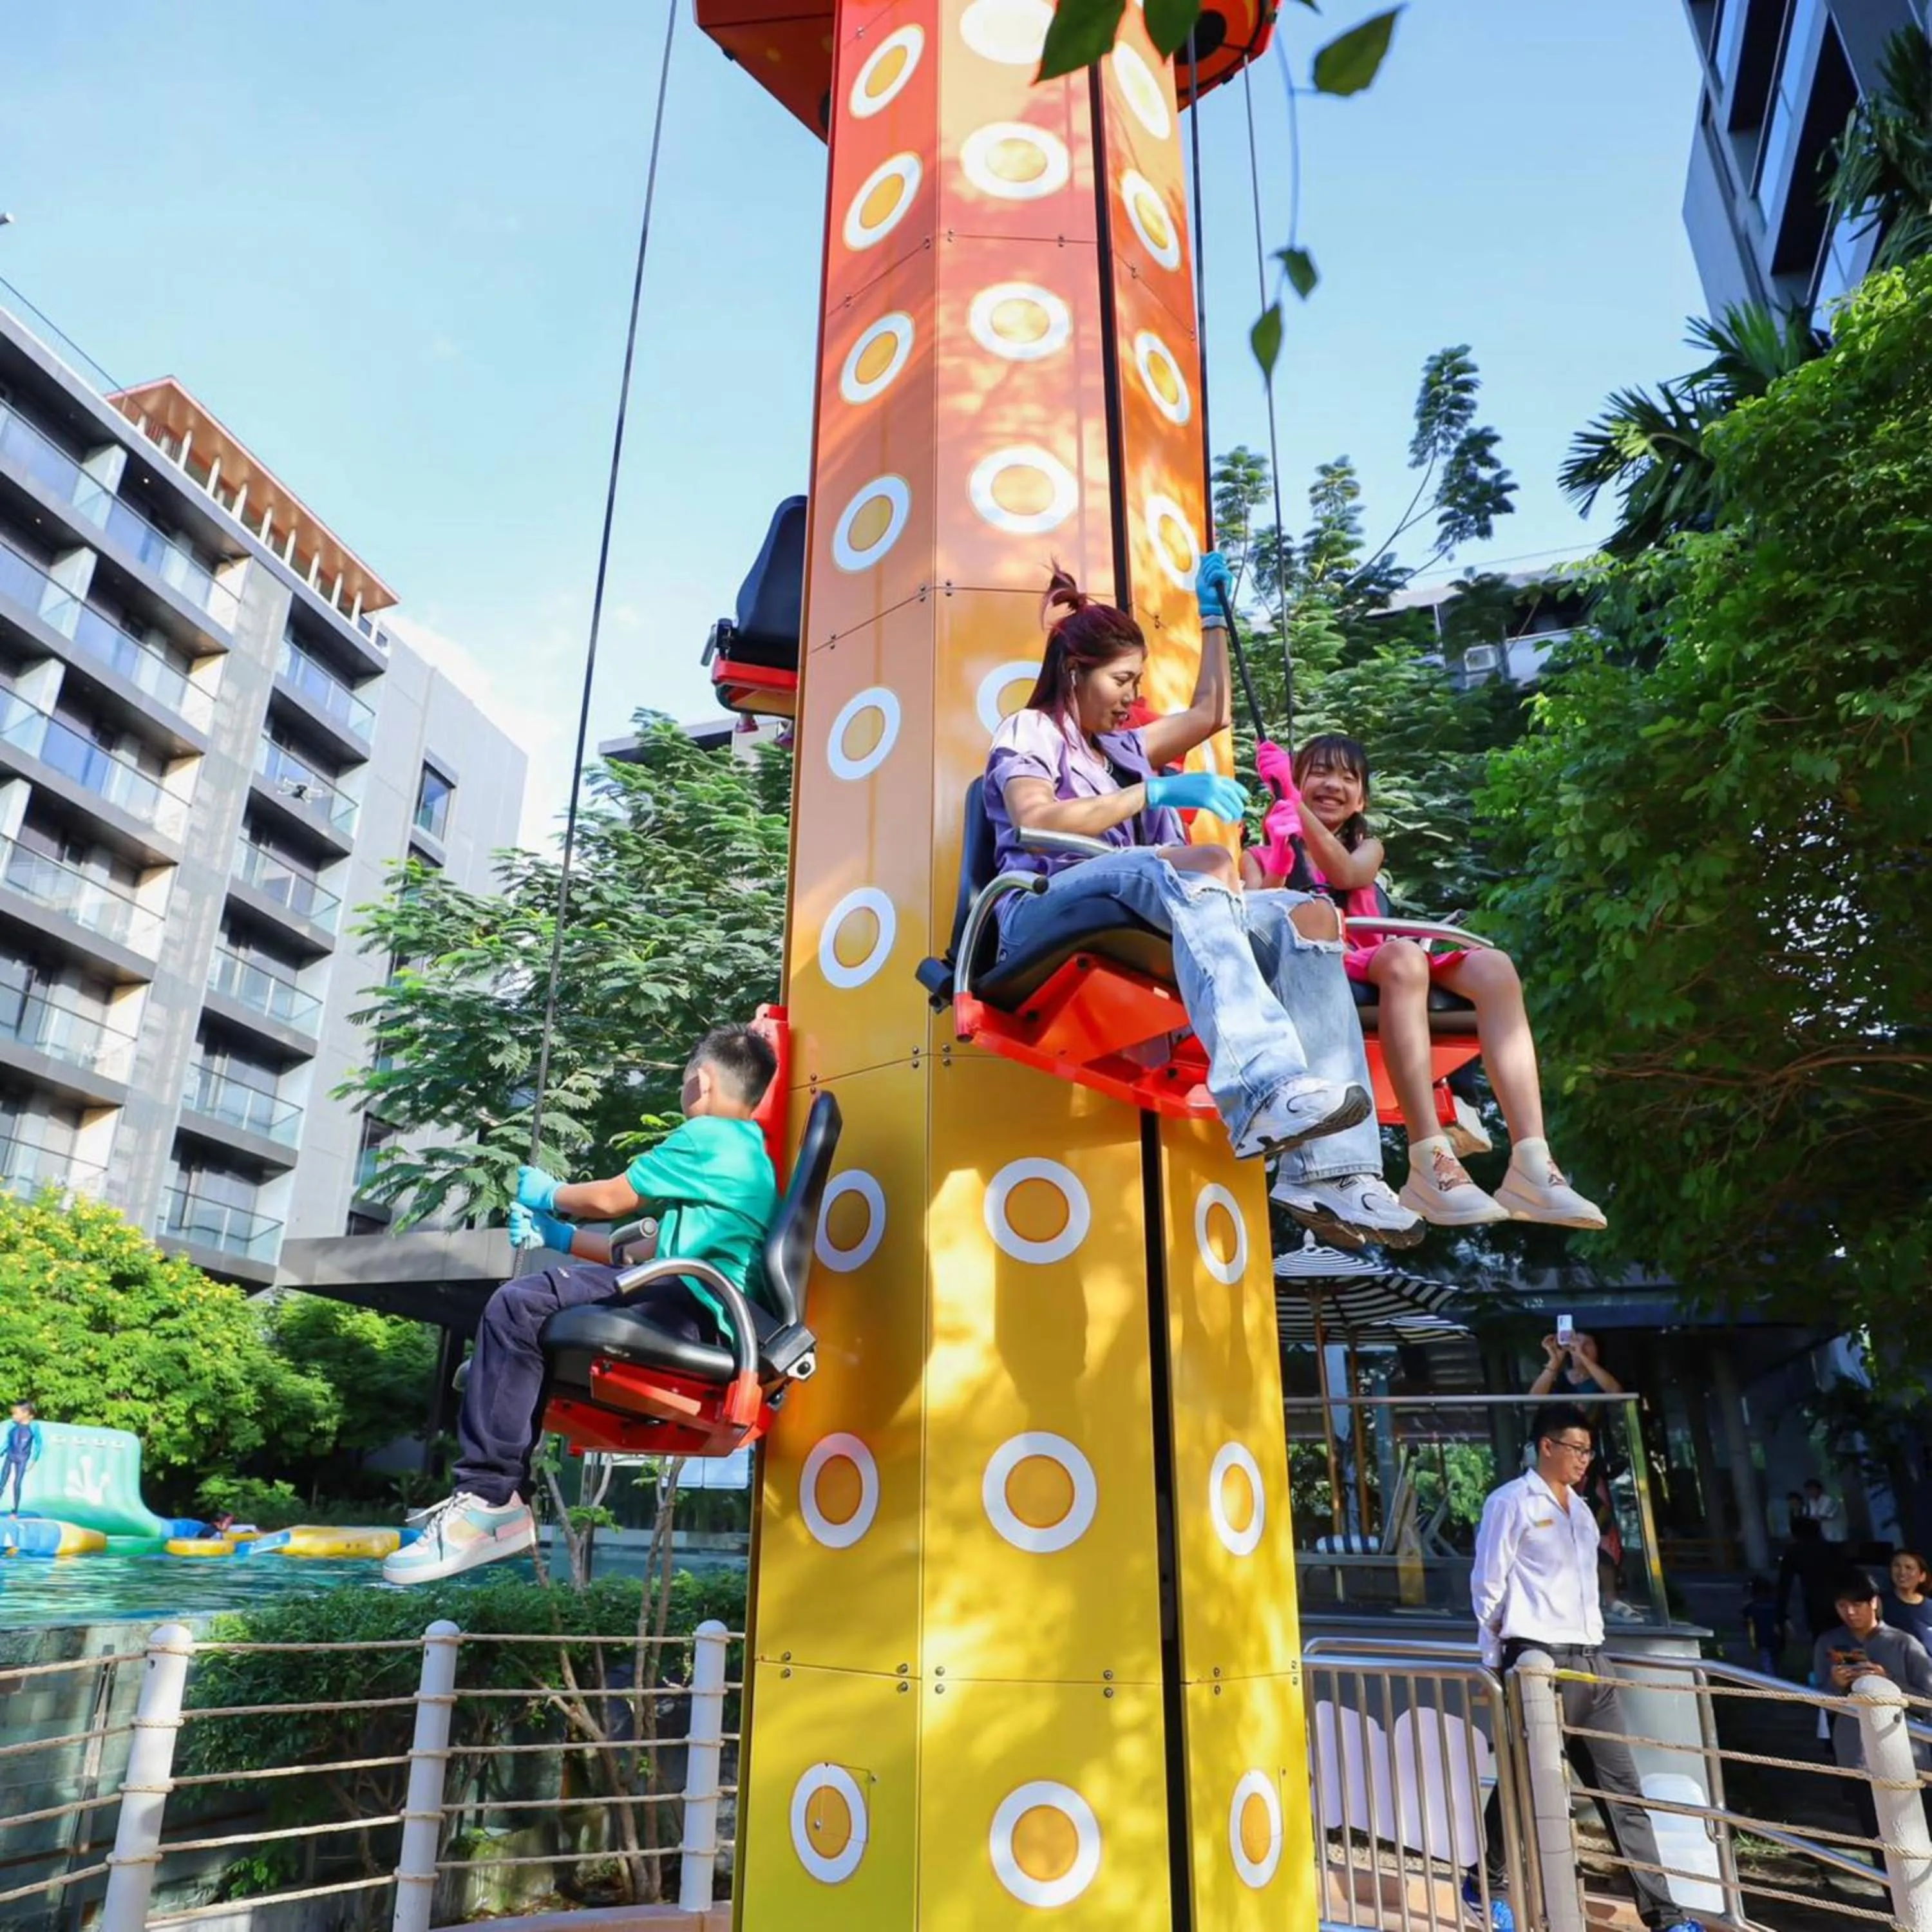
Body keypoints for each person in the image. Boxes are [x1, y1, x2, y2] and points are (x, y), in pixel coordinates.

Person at [985, 556, 1419, 1249]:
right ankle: (1262, 1083)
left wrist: (1212, 618)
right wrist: (1152, 795)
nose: (1133, 697)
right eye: (1122, 680)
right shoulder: (1028, 731)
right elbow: (1038, 822)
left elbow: (1210, 713)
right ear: (1075, 672)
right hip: (1042, 902)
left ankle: (1336, 1173)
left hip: (1145, 892)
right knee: (1204, 860)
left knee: (1305, 915)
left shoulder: (1122, 746)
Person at [383, 1025, 781, 1586]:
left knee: (516, 1305)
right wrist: (559, 1236)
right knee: (532, 1311)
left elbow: (611, 1198)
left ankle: (489, 1500)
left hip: (691, 1303)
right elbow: (640, 1251)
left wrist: (550, 1194)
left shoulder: (708, 1136)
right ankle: (498, 1497)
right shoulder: (746, 1158)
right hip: (697, 1300)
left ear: (703, 1080)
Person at [1244, 732, 1604, 1231]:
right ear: (1294, 781)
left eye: (1349, 778)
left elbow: (1347, 873)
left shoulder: (1369, 847)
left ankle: (1532, 1161)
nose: (1333, 785)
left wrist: (1291, 802)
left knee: (1495, 965)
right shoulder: (1257, 854)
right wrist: (1281, 857)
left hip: (1375, 952)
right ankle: (1428, 1158)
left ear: (1363, 800)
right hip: (1321, 963)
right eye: (1318, 773)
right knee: (1406, 961)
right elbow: (1255, 919)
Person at [1464, 1403, 1705, 1932]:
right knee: (1525, 1784)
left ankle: (1664, 1916)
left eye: (1589, 1451)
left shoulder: (1579, 1509)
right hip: (1534, 1660)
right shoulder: (1510, 1502)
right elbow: (1489, 1587)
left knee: (1624, 1794)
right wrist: (1496, 1666)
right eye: (1576, 1449)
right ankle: (1489, 1882)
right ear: (1546, 1447)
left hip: (1591, 1662)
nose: (1584, 1460)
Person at [1810, 1567, 1932, 1844]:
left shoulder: (1903, 1643)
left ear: (1874, 1603)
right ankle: (1887, 1889)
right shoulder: (1829, 1642)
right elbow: (1821, 1704)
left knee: (1919, 1836)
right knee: (1877, 1838)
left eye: (1857, 1604)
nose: (1850, 1612)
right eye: (1843, 1605)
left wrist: (1889, 1681)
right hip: (1856, 1755)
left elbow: (1928, 1701)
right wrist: (1835, 1684)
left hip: (1908, 1756)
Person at [1529, 1332, 1630, 1613]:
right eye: (1575, 1343)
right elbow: (1532, 1401)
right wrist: (1555, 1361)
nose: (1580, 1347)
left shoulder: (1599, 1379)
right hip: (1555, 1464)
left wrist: (1584, 1359)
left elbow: (1616, 1392)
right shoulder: (1559, 1380)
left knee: (1600, 1525)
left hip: (1590, 1465)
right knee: (1553, 1527)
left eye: (1588, 1343)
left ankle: (1609, 1595)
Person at [1777, 1517, 1844, 1642]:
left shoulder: (1794, 1552)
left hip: (1815, 1603)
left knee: (1822, 1642)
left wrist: (1781, 1616)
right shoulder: (1832, 1549)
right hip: (1837, 1600)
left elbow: (1784, 1585)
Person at [1884, 1549, 1932, 1653]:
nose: (1902, 1572)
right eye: (1897, 1566)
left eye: (1909, 1568)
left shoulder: (1930, 1607)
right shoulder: (1878, 1604)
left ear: (1922, 1576)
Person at [1743, 1574, 1786, 1677]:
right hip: (1777, 1640)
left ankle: (1772, 1686)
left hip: (1762, 1641)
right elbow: (1785, 1621)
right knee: (1776, 1664)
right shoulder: (1776, 1605)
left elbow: (1748, 1624)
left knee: (1768, 1666)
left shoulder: (1751, 1607)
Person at [4, 1400, 42, 1515]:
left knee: (17, 1484)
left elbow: (39, 1444)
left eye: (16, 1413)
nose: (13, 1416)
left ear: (25, 1413)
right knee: (2, 1483)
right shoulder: (12, 1425)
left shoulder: (34, 1426)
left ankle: (14, 1512)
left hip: (22, 1459)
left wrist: (34, 1460)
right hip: (10, 1457)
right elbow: (7, 1442)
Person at [1803, 1477, 1846, 1542]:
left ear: (1819, 1489)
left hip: (1833, 1533)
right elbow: (1807, 1516)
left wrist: (1812, 1518)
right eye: (1808, 1490)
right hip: (1819, 1535)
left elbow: (1823, 1515)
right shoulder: (1809, 1504)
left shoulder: (1829, 1501)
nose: (1810, 1492)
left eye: (1812, 1489)